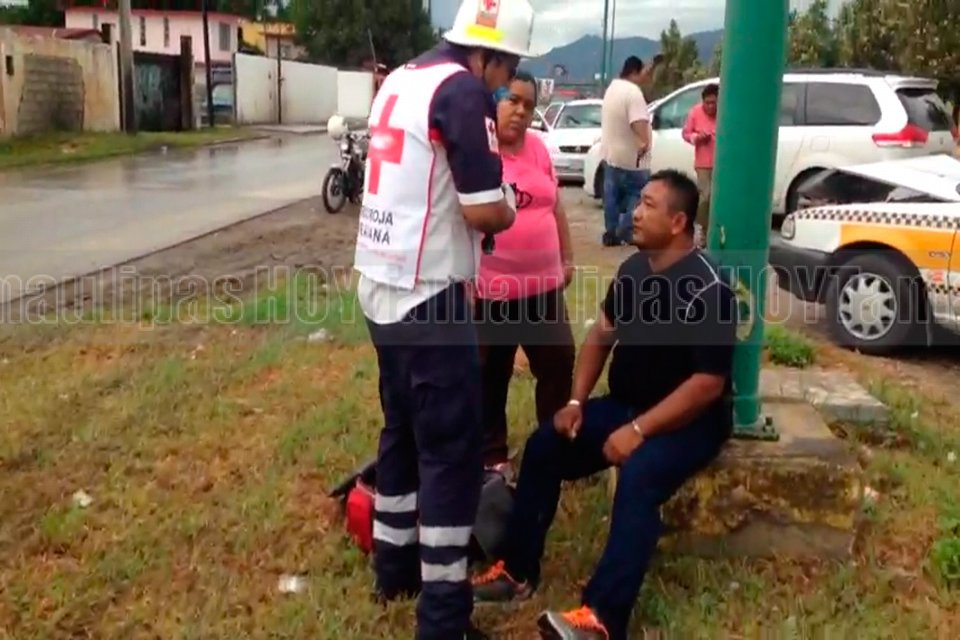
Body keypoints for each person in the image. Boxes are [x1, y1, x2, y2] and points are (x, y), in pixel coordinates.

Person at [471, 170, 738, 640]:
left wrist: (639, 431)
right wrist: (576, 401)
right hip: (625, 405)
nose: (635, 213)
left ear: (678, 222)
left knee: (639, 477)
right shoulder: (633, 270)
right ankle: (516, 571)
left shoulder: (709, 288)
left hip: (690, 423)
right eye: (638, 202)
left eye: (648, 205)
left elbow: (707, 385)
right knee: (544, 446)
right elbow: (600, 335)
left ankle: (602, 619)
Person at [352, 1, 536, 639]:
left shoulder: (402, 78)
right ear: (493, 57)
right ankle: (443, 618)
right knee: (451, 456)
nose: (503, 87)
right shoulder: (462, 90)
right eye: (507, 72)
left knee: (401, 431)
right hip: (428, 293)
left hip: (380, 284)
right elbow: (483, 209)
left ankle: (394, 568)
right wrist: (510, 204)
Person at [475, 71, 577, 475]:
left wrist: (567, 258)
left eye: (528, 105)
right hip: (491, 288)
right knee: (490, 372)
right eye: (512, 100)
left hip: (543, 287)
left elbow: (555, 205)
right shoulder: (478, 150)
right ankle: (492, 455)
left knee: (558, 361)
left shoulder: (537, 148)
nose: (520, 111)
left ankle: (552, 447)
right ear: (493, 101)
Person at [599, 55, 661, 247]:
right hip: (633, 160)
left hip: (611, 156)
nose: (645, 77)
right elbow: (638, 121)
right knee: (637, 196)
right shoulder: (633, 92)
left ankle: (611, 233)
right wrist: (644, 141)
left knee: (612, 197)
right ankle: (623, 230)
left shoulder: (612, 88)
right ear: (635, 71)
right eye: (642, 72)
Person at [682, 83, 719, 244]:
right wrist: (697, 138)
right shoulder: (695, 112)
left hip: (721, 162)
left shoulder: (725, 112)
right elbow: (686, 133)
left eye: (714, 103)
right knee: (706, 196)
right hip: (703, 161)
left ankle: (715, 230)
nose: (710, 106)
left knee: (718, 197)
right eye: (707, 103)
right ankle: (703, 229)